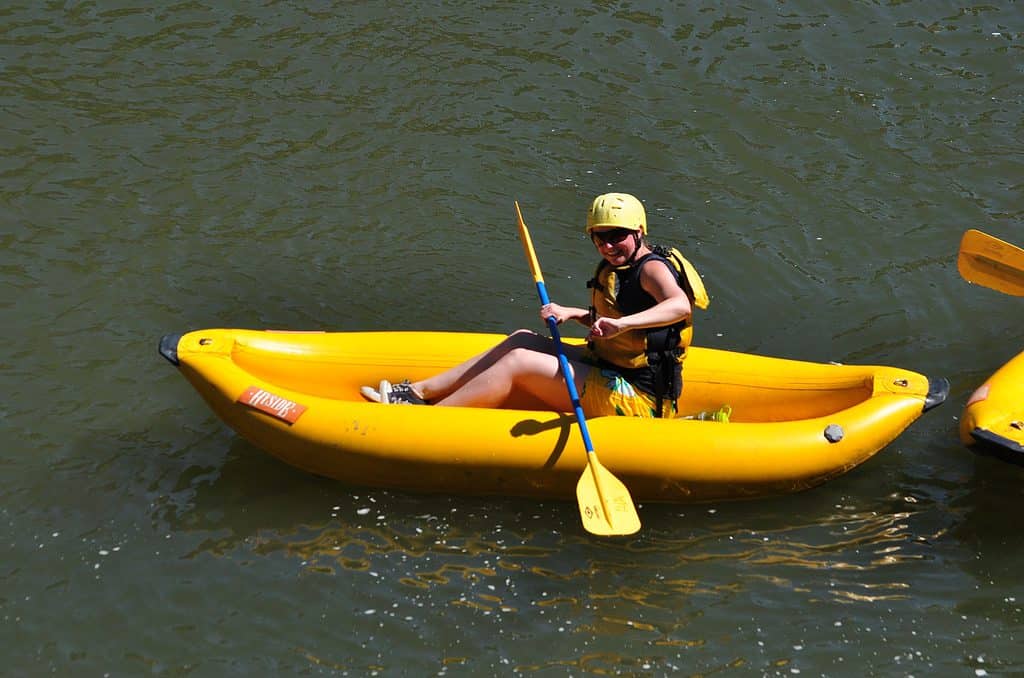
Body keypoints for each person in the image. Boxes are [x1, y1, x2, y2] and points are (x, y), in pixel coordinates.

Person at [361, 192, 707, 418]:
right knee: (522, 339)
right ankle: (418, 393)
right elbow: (618, 322)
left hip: (639, 399)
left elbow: (679, 307)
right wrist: (574, 314)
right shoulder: (621, 266)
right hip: (611, 366)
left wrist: (622, 325)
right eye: (600, 237)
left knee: (519, 363)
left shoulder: (652, 269)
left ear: (639, 232)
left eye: (617, 235)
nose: (607, 245)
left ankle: (426, 420)